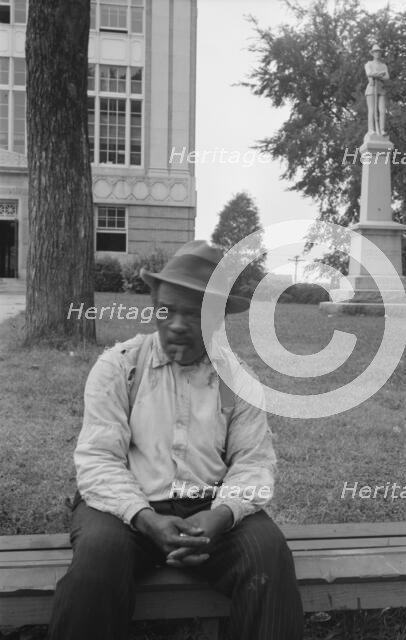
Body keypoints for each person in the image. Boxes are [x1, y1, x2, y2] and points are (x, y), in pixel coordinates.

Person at [47, 240, 304, 640]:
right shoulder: (120, 367)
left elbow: (253, 463)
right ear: (154, 307)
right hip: (125, 508)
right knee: (99, 559)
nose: (178, 323)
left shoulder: (236, 381)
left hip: (208, 509)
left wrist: (218, 518)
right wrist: (145, 519)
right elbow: (98, 459)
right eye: (166, 310)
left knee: (267, 554)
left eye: (195, 312)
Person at [365, 43, 389, 135]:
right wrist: (379, 74)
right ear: (372, 53)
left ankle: (382, 130)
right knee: (372, 110)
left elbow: (387, 77)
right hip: (371, 88)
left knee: (382, 111)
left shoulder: (384, 65)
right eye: (375, 52)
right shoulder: (369, 64)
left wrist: (376, 75)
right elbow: (369, 73)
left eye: (378, 52)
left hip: (381, 89)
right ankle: (371, 129)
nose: (377, 54)